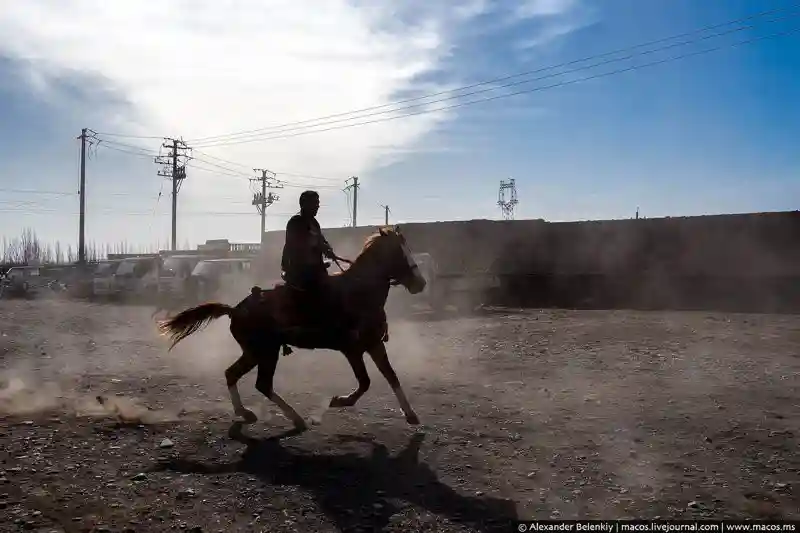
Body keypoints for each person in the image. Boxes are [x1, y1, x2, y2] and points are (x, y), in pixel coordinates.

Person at [280, 190, 351, 339]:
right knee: (324, 290)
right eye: (315, 203)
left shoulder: (314, 223)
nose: (318, 206)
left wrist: (328, 249)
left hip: (313, 268)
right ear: (304, 204)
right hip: (298, 269)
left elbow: (321, 240)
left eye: (318, 203)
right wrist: (320, 248)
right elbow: (300, 244)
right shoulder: (296, 222)